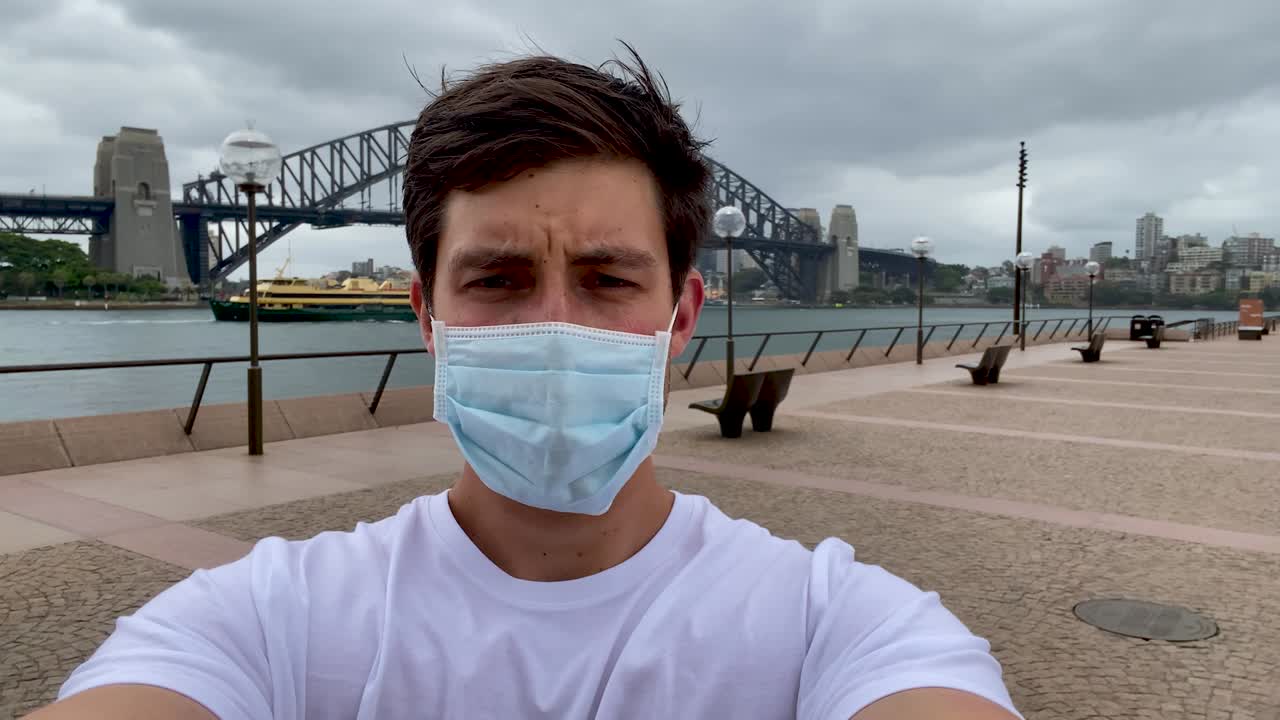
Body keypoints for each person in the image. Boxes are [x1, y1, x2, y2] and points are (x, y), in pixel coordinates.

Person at [30, 47, 1021, 720]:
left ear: (680, 318)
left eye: (607, 279)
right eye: (496, 280)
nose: (552, 323)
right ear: (427, 317)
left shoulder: (846, 625)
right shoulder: (261, 619)